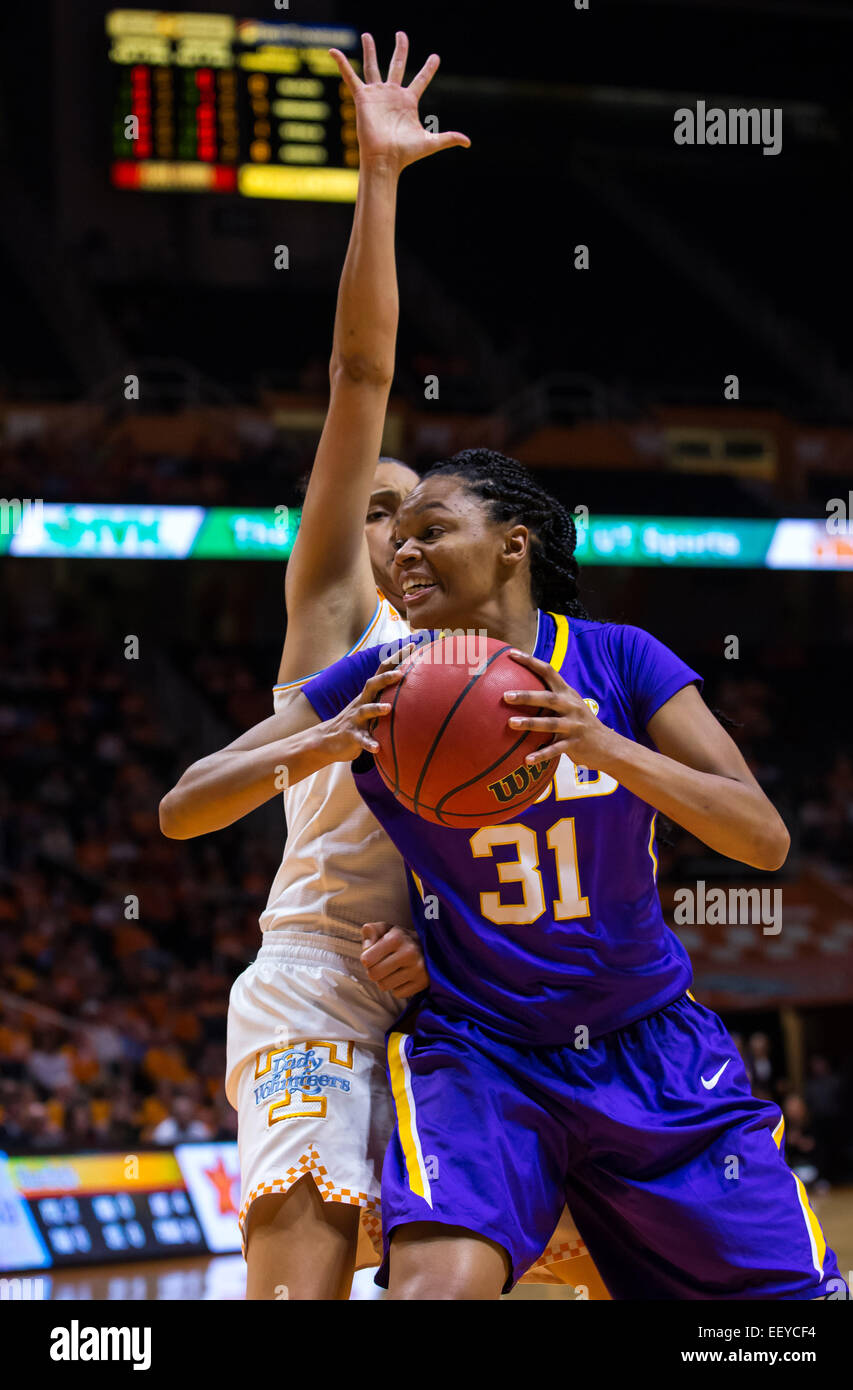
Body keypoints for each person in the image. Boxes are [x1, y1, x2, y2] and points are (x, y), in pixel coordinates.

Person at [165, 448, 844, 1300]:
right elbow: (184, 806)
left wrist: (603, 745)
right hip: (482, 1053)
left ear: (515, 544)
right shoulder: (381, 680)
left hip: (648, 1045)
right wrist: (324, 741)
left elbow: (763, 839)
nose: (404, 552)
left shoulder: (622, 659)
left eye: (432, 530)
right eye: (397, 536)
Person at [163, 35, 608, 1302]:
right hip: (318, 981)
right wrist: (377, 181)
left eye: (424, 516)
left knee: (618, 1264)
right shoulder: (331, 629)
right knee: (294, 1288)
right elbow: (360, 375)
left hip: (462, 998)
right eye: (379, 509)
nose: (396, 529)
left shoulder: (523, 668)